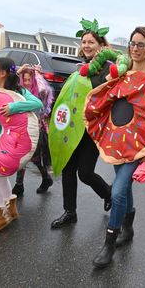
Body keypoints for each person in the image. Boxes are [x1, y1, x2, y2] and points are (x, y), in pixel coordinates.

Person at [91, 26, 145, 268]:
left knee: (117, 190)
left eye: (141, 45)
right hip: (118, 139)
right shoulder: (122, 71)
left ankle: (109, 244)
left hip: (141, 145)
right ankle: (129, 227)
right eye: (132, 44)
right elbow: (107, 98)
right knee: (125, 189)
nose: (135, 49)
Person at [49, 18, 112, 229]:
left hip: (92, 130)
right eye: (84, 42)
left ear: (101, 45)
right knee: (68, 170)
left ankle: (108, 193)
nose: (86, 45)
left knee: (85, 173)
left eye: (91, 42)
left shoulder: (109, 69)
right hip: (72, 127)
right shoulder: (80, 68)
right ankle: (70, 212)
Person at [0, 57, 43, 234]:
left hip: (6, 143)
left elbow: (37, 104)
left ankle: (0, 215)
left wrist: (14, 107)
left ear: (2, 73)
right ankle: (11, 208)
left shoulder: (18, 90)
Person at [12, 64, 54, 195]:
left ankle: (45, 178)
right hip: (22, 128)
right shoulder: (20, 92)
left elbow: (43, 91)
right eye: (24, 80)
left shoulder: (40, 92)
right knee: (22, 156)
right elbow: (10, 84)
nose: (27, 82)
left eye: (30, 80)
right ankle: (19, 185)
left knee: (35, 158)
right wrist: (18, 72)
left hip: (37, 129)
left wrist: (38, 75)